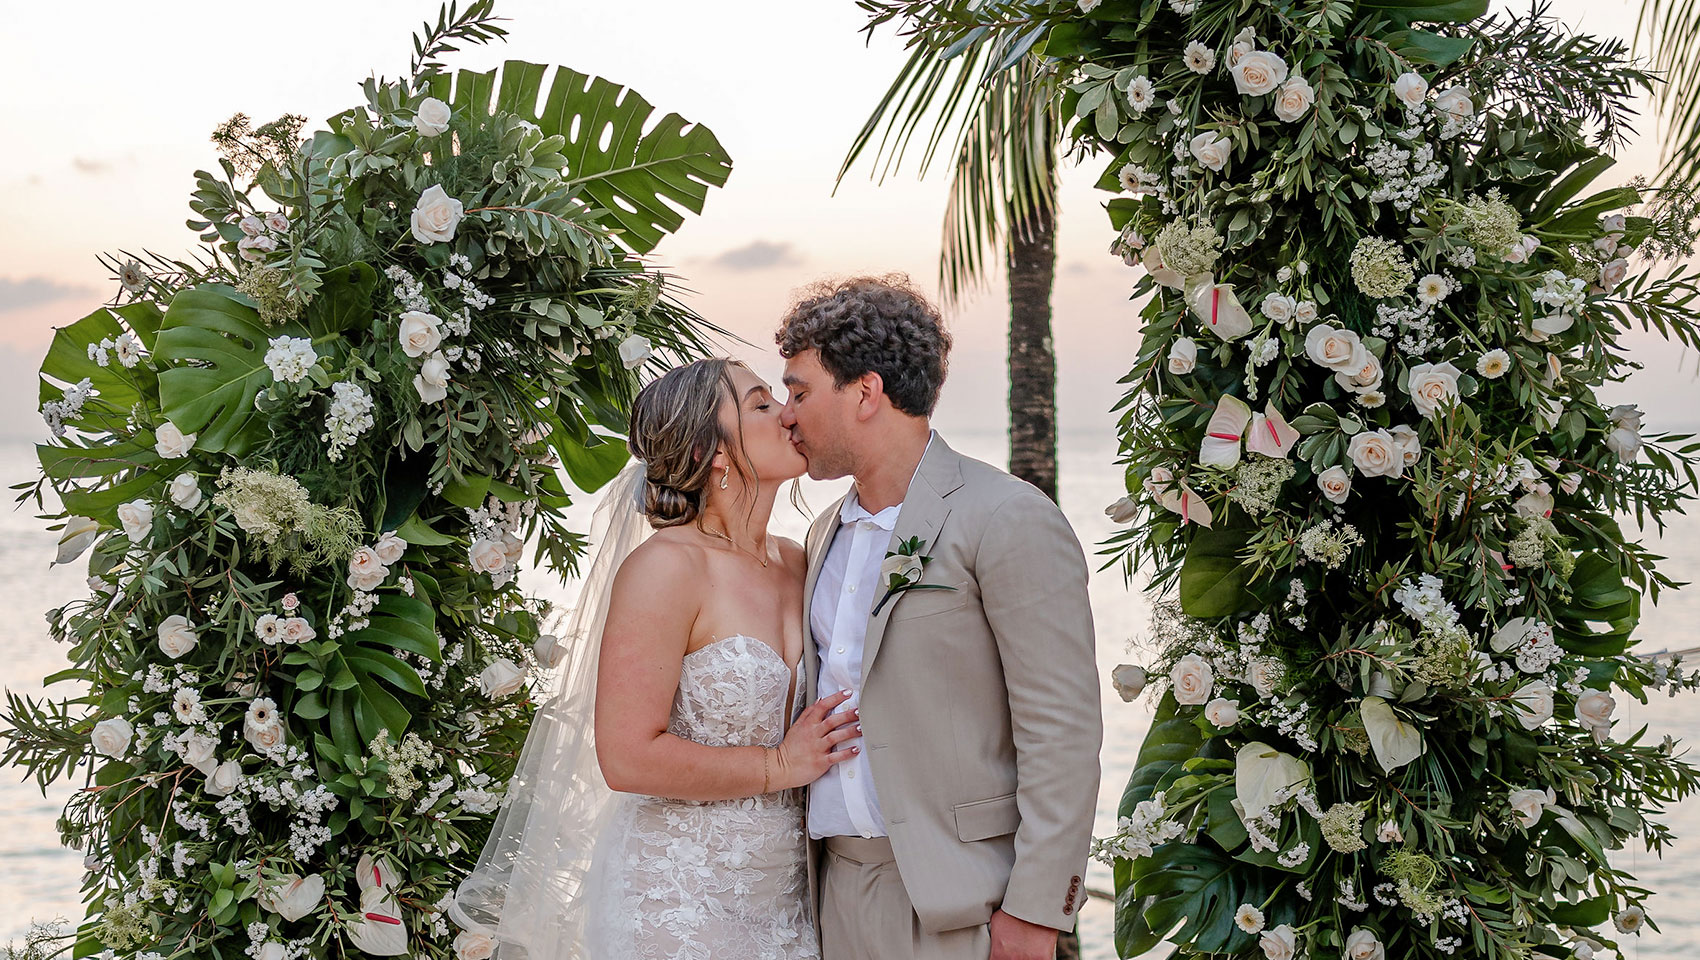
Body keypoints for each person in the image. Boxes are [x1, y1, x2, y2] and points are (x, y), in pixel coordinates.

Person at [450, 357, 858, 959]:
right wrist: (777, 766)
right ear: (711, 452)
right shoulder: (666, 568)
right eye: (760, 405)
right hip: (675, 897)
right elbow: (626, 757)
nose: (788, 414)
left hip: (788, 901)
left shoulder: (802, 561)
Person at [776, 275, 1103, 960]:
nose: (786, 413)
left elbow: (1062, 732)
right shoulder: (823, 532)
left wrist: (1037, 912)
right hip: (834, 898)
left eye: (800, 391)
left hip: (964, 907)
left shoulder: (1006, 516)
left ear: (865, 393)